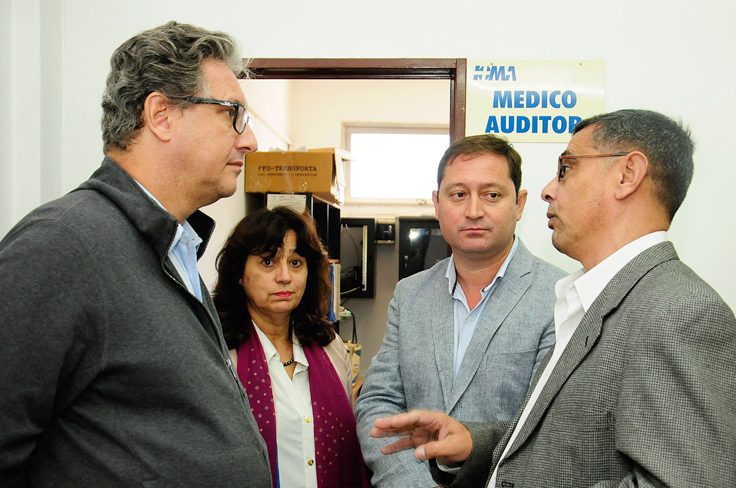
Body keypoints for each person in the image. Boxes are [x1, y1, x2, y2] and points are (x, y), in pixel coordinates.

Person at [371, 109, 736, 487]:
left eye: (566, 169)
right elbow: (560, 442)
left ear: (627, 175)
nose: (550, 189)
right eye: (458, 194)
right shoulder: (592, 297)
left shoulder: (681, 311)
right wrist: (474, 443)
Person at [0, 22, 272, 487]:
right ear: (161, 114)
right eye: (233, 114)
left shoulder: (176, 244)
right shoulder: (61, 248)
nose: (249, 141)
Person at [354, 134, 565, 487]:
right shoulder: (411, 294)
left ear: (520, 204)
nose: (473, 211)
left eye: (492, 194)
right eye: (458, 195)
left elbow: (552, 428)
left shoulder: (560, 296)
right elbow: (379, 402)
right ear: (437, 204)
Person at [213, 206, 371, 488]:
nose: (285, 276)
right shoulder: (218, 352)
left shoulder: (329, 345)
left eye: (296, 263)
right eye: (268, 262)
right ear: (239, 273)